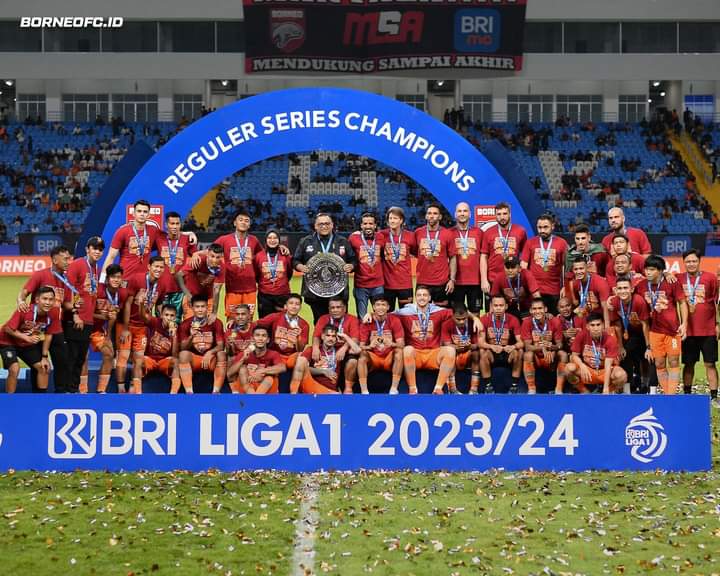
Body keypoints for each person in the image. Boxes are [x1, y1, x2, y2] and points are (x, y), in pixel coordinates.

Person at [16, 245, 74, 392]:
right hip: (38, 329)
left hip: (56, 328)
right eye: (65, 259)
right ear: (54, 260)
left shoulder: (66, 280)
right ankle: (38, 396)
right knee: (38, 364)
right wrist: (21, 301)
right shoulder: (40, 275)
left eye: (69, 258)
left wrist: (75, 307)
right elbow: (24, 292)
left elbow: (66, 304)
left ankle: (60, 393)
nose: (69, 262)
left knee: (62, 361)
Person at [635, 255, 687, 395]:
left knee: (674, 361)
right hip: (654, 331)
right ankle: (666, 392)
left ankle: (671, 394)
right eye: (647, 269)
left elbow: (682, 303)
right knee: (659, 363)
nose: (648, 272)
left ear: (660, 271)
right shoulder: (641, 286)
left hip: (672, 330)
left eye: (652, 269)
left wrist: (684, 324)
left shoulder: (672, 283)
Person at [394, 285, 458, 394]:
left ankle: (438, 388)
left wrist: (475, 318)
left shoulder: (438, 311)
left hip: (433, 354)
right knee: (407, 350)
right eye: (419, 295)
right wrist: (370, 314)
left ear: (429, 298)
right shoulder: (405, 312)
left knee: (450, 350)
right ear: (415, 297)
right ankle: (412, 389)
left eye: (424, 295)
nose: (422, 298)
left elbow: (459, 312)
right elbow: (385, 314)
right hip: (416, 355)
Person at [293, 213, 356, 322]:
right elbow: (295, 260)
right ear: (315, 226)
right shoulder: (305, 241)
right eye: (321, 224)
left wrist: (351, 266)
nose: (324, 226)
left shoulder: (342, 241)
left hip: (338, 291)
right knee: (320, 322)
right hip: (315, 292)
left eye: (327, 223)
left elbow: (353, 259)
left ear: (332, 225)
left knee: (340, 322)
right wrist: (300, 266)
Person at [119, 256, 167, 393]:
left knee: (138, 359)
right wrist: (125, 328)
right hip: (128, 324)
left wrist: (162, 320)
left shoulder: (162, 285)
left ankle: (133, 389)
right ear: (149, 267)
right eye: (156, 266)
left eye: (161, 267)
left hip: (142, 327)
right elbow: (127, 304)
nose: (158, 269)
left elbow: (159, 305)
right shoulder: (137, 279)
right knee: (123, 357)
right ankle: (120, 389)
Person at [63, 236, 104, 393]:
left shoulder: (96, 268)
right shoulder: (77, 264)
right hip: (75, 319)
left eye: (100, 249)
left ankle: (73, 390)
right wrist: (75, 314)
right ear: (87, 249)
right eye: (94, 248)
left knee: (80, 358)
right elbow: (68, 290)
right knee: (72, 357)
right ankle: (66, 390)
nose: (97, 252)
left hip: (87, 320)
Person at [0, 286, 60, 393]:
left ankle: (41, 399)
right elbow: (8, 329)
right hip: (7, 342)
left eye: (51, 299)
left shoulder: (53, 313)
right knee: (14, 368)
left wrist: (45, 357)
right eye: (44, 299)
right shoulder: (25, 309)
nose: (48, 302)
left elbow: (49, 335)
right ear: (37, 300)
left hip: (26, 344)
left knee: (44, 367)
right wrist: (26, 338)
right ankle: (9, 399)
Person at [676, 249, 718, 401]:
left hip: (708, 330)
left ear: (699, 261)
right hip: (688, 331)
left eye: (694, 261)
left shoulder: (710, 278)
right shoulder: (678, 279)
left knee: (710, 364)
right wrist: (667, 274)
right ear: (683, 263)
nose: (691, 264)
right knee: (688, 364)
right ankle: (687, 395)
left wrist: (717, 324)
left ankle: (714, 396)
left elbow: (717, 302)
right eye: (688, 261)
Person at [84, 264, 128, 393]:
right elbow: (85, 313)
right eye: (113, 277)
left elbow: (112, 317)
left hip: (97, 330)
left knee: (109, 353)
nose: (116, 280)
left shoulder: (122, 294)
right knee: (83, 356)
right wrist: (102, 316)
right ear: (107, 279)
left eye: (118, 277)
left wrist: (108, 337)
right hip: (84, 328)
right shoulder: (97, 290)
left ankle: (101, 390)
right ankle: (82, 390)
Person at [212, 209, 263, 319]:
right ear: (235, 223)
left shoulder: (254, 240)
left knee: (248, 319)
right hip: (232, 288)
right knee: (232, 319)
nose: (243, 222)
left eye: (246, 220)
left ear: (249, 225)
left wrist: (280, 247)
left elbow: (263, 256)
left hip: (250, 288)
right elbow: (210, 252)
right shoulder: (224, 239)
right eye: (241, 220)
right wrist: (197, 253)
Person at [608, 277, 650, 393]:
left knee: (645, 358)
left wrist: (648, 347)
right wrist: (620, 346)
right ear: (616, 290)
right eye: (620, 288)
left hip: (642, 333)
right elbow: (617, 325)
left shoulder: (639, 301)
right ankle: (627, 387)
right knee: (625, 356)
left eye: (625, 288)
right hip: (627, 333)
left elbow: (645, 325)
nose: (623, 291)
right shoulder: (614, 302)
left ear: (631, 289)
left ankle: (645, 384)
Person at [177, 295, 227, 394]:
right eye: (197, 307)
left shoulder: (216, 323)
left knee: (222, 354)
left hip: (210, 360)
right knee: (183, 355)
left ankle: (216, 391)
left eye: (203, 306)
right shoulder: (185, 324)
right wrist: (191, 336)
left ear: (207, 307)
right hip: (195, 360)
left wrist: (210, 353)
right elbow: (182, 348)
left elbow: (221, 346)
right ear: (192, 308)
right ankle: (189, 392)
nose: (200, 310)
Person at [566, 313, 627, 394]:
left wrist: (605, 388)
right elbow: (574, 356)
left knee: (622, 375)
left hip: (604, 371)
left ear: (603, 325)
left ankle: (607, 392)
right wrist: (582, 365)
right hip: (588, 371)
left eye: (598, 325)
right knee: (568, 368)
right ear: (587, 326)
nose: (596, 328)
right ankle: (584, 392)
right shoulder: (581, 335)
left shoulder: (610, 339)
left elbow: (608, 365)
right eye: (592, 325)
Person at [289, 324, 360, 394]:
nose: (330, 339)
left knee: (336, 395)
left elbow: (358, 350)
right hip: (312, 386)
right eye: (328, 335)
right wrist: (323, 371)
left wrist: (345, 336)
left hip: (330, 389)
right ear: (322, 336)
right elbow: (302, 367)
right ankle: (293, 394)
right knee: (300, 359)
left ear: (336, 338)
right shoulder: (312, 349)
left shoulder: (339, 351)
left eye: (333, 336)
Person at [101, 199, 162, 278]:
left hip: (144, 280)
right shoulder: (122, 231)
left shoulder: (154, 231)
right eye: (139, 211)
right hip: (125, 278)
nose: (142, 214)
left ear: (148, 215)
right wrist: (102, 279)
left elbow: (169, 239)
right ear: (134, 213)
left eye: (145, 212)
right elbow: (111, 257)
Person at [358, 293, 405, 394]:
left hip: (389, 358)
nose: (380, 307)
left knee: (399, 352)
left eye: (383, 305)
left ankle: (394, 388)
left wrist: (391, 344)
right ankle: (364, 390)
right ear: (373, 307)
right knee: (362, 355)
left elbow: (401, 345)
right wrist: (370, 346)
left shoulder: (394, 320)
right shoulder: (367, 322)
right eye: (378, 305)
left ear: (388, 307)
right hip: (374, 358)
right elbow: (361, 346)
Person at [521, 213, 568, 314]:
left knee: (553, 319)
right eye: (539, 227)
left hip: (554, 291)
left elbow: (565, 267)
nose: (542, 230)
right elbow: (523, 267)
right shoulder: (530, 243)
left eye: (545, 227)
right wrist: (524, 287)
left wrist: (565, 286)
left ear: (552, 226)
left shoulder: (562, 243)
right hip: (534, 291)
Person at [312, 297, 361, 394]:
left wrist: (344, 348)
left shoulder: (352, 319)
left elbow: (355, 338)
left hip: (344, 352)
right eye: (332, 308)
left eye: (338, 307)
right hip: (327, 351)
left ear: (344, 308)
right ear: (329, 309)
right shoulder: (323, 319)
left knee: (353, 361)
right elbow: (316, 336)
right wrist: (315, 348)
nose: (335, 310)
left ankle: (348, 389)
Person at [480, 202, 528, 299]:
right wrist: (484, 279)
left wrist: (522, 276)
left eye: (505, 213)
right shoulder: (488, 233)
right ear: (495, 216)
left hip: (514, 279)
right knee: (494, 307)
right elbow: (483, 257)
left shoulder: (521, 231)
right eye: (499, 214)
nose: (502, 217)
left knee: (514, 308)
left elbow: (525, 256)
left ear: (510, 214)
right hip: (493, 279)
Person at [477, 294, 523, 393]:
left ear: (506, 306)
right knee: (482, 352)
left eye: (501, 305)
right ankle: (488, 387)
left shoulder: (513, 319)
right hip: (491, 352)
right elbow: (480, 343)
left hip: (507, 351)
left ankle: (514, 386)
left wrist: (513, 346)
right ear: (491, 306)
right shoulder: (484, 319)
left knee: (519, 352)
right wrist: (491, 346)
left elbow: (521, 342)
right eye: (495, 305)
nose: (498, 308)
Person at [521, 298, 567, 394]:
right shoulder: (526, 322)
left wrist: (552, 348)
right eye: (534, 309)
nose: (537, 311)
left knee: (563, 354)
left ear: (545, 309)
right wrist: (543, 348)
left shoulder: (555, 321)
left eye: (540, 308)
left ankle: (559, 389)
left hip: (551, 357)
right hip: (536, 357)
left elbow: (560, 344)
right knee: (527, 354)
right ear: (530, 311)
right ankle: (531, 389)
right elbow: (527, 347)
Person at [414, 203, 457, 307]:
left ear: (440, 216)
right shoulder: (418, 233)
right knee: (422, 313)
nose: (432, 216)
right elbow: (415, 252)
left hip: (442, 282)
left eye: (435, 213)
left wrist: (452, 279)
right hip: (422, 281)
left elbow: (453, 258)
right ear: (426, 216)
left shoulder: (448, 234)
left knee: (442, 313)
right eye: (429, 213)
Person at [256, 293, 310, 371]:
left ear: (300, 307)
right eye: (291, 303)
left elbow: (300, 350)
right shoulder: (275, 317)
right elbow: (256, 324)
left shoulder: (304, 325)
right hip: (274, 354)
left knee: (299, 360)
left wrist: (298, 337)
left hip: (291, 357)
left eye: (297, 304)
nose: (294, 306)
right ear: (285, 306)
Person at [157, 211, 196, 320]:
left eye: (177, 224)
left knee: (176, 320)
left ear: (180, 224)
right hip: (161, 288)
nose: (175, 226)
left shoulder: (187, 239)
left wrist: (190, 234)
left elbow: (196, 258)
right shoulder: (159, 237)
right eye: (172, 223)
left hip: (179, 289)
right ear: (166, 225)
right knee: (161, 320)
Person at [134, 303, 180, 394]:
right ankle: (138, 393)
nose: (169, 318)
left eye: (172, 316)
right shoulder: (155, 322)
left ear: (175, 317)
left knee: (176, 362)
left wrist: (174, 336)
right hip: (150, 359)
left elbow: (175, 355)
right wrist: (141, 303)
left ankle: (173, 394)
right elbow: (143, 317)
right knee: (138, 360)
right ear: (161, 315)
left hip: (164, 360)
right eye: (166, 315)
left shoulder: (177, 329)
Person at [227, 325, 286, 394]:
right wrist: (243, 359)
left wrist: (261, 371)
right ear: (252, 339)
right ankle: (254, 397)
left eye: (264, 336)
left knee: (270, 377)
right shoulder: (245, 353)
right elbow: (229, 374)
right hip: (248, 388)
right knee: (242, 369)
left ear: (268, 340)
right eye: (257, 335)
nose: (260, 338)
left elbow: (282, 367)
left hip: (266, 389)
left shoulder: (273, 354)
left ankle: (255, 397)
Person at [349, 212, 386, 319]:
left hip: (378, 285)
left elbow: (383, 256)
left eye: (371, 223)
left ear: (375, 225)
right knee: (362, 317)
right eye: (365, 224)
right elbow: (350, 257)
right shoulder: (353, 238)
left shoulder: (381, 237)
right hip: (361, 285)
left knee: (380, 316)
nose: (368, 226)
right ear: (361, 225)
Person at [176, 243, 225, 321]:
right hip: (192, 297)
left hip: (208, 299)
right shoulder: (198, 260)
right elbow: (179, 275)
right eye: (212, 256)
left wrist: (214, 313)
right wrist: (188, 295)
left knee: (208, 324)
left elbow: (216, 290)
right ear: (207, 254)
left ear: (221, 257)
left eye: (217, 257)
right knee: (190, 323)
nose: (214, 260)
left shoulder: (221, 268)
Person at [381, 206, 417, 311]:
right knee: (388, 315)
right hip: (387, 285)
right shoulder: (381, 235)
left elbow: (416, 252)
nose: (392, 221)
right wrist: (358, 233)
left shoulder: (410, 236)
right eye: (390, 218)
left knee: (407, 315)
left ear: (401, 220)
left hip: (405, 284)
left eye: (395, 218)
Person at [449, 202, 483, 313]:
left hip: (475, 282)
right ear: (455, 214)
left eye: (465, 211)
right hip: (455, 282)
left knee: (475, 313)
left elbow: (484, 256)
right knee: (456, 314)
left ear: (470, 214)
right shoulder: (448, 233)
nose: (462, 213)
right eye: (459, 211)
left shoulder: (479, 233)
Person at [441, 303, 480, 394]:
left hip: (468, 353)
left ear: (467, 315)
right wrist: (456, 347)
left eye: (464, 319)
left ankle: (474, 388)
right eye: (458, 319)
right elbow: (447, 345)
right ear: (453, 316)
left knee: (476, 353)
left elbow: (477, 344)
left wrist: (469, 346)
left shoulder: (472, 324)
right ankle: (452, 388)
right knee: (450, 353)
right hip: (454, 354)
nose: (461, 322)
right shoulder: (446, 324)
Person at [254, 229, 292, 318]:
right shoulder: (259, 256)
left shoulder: (285, 254)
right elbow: (256, 274)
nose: (272, 240)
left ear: (279, 240)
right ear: (265, 240)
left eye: (275, 238)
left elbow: (289, 272)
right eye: (269, 238)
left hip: (282, 295)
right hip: (264, 296)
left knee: (282, 322)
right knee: (265, 322)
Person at [567, 257, 610, 326]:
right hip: (587, 315)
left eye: (581, 268)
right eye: (576, 269)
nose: (578, 272)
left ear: (587, 268)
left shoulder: (600, 282)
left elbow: (605, 307)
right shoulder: (576, 283)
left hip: (600, 317)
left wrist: (607, 327)